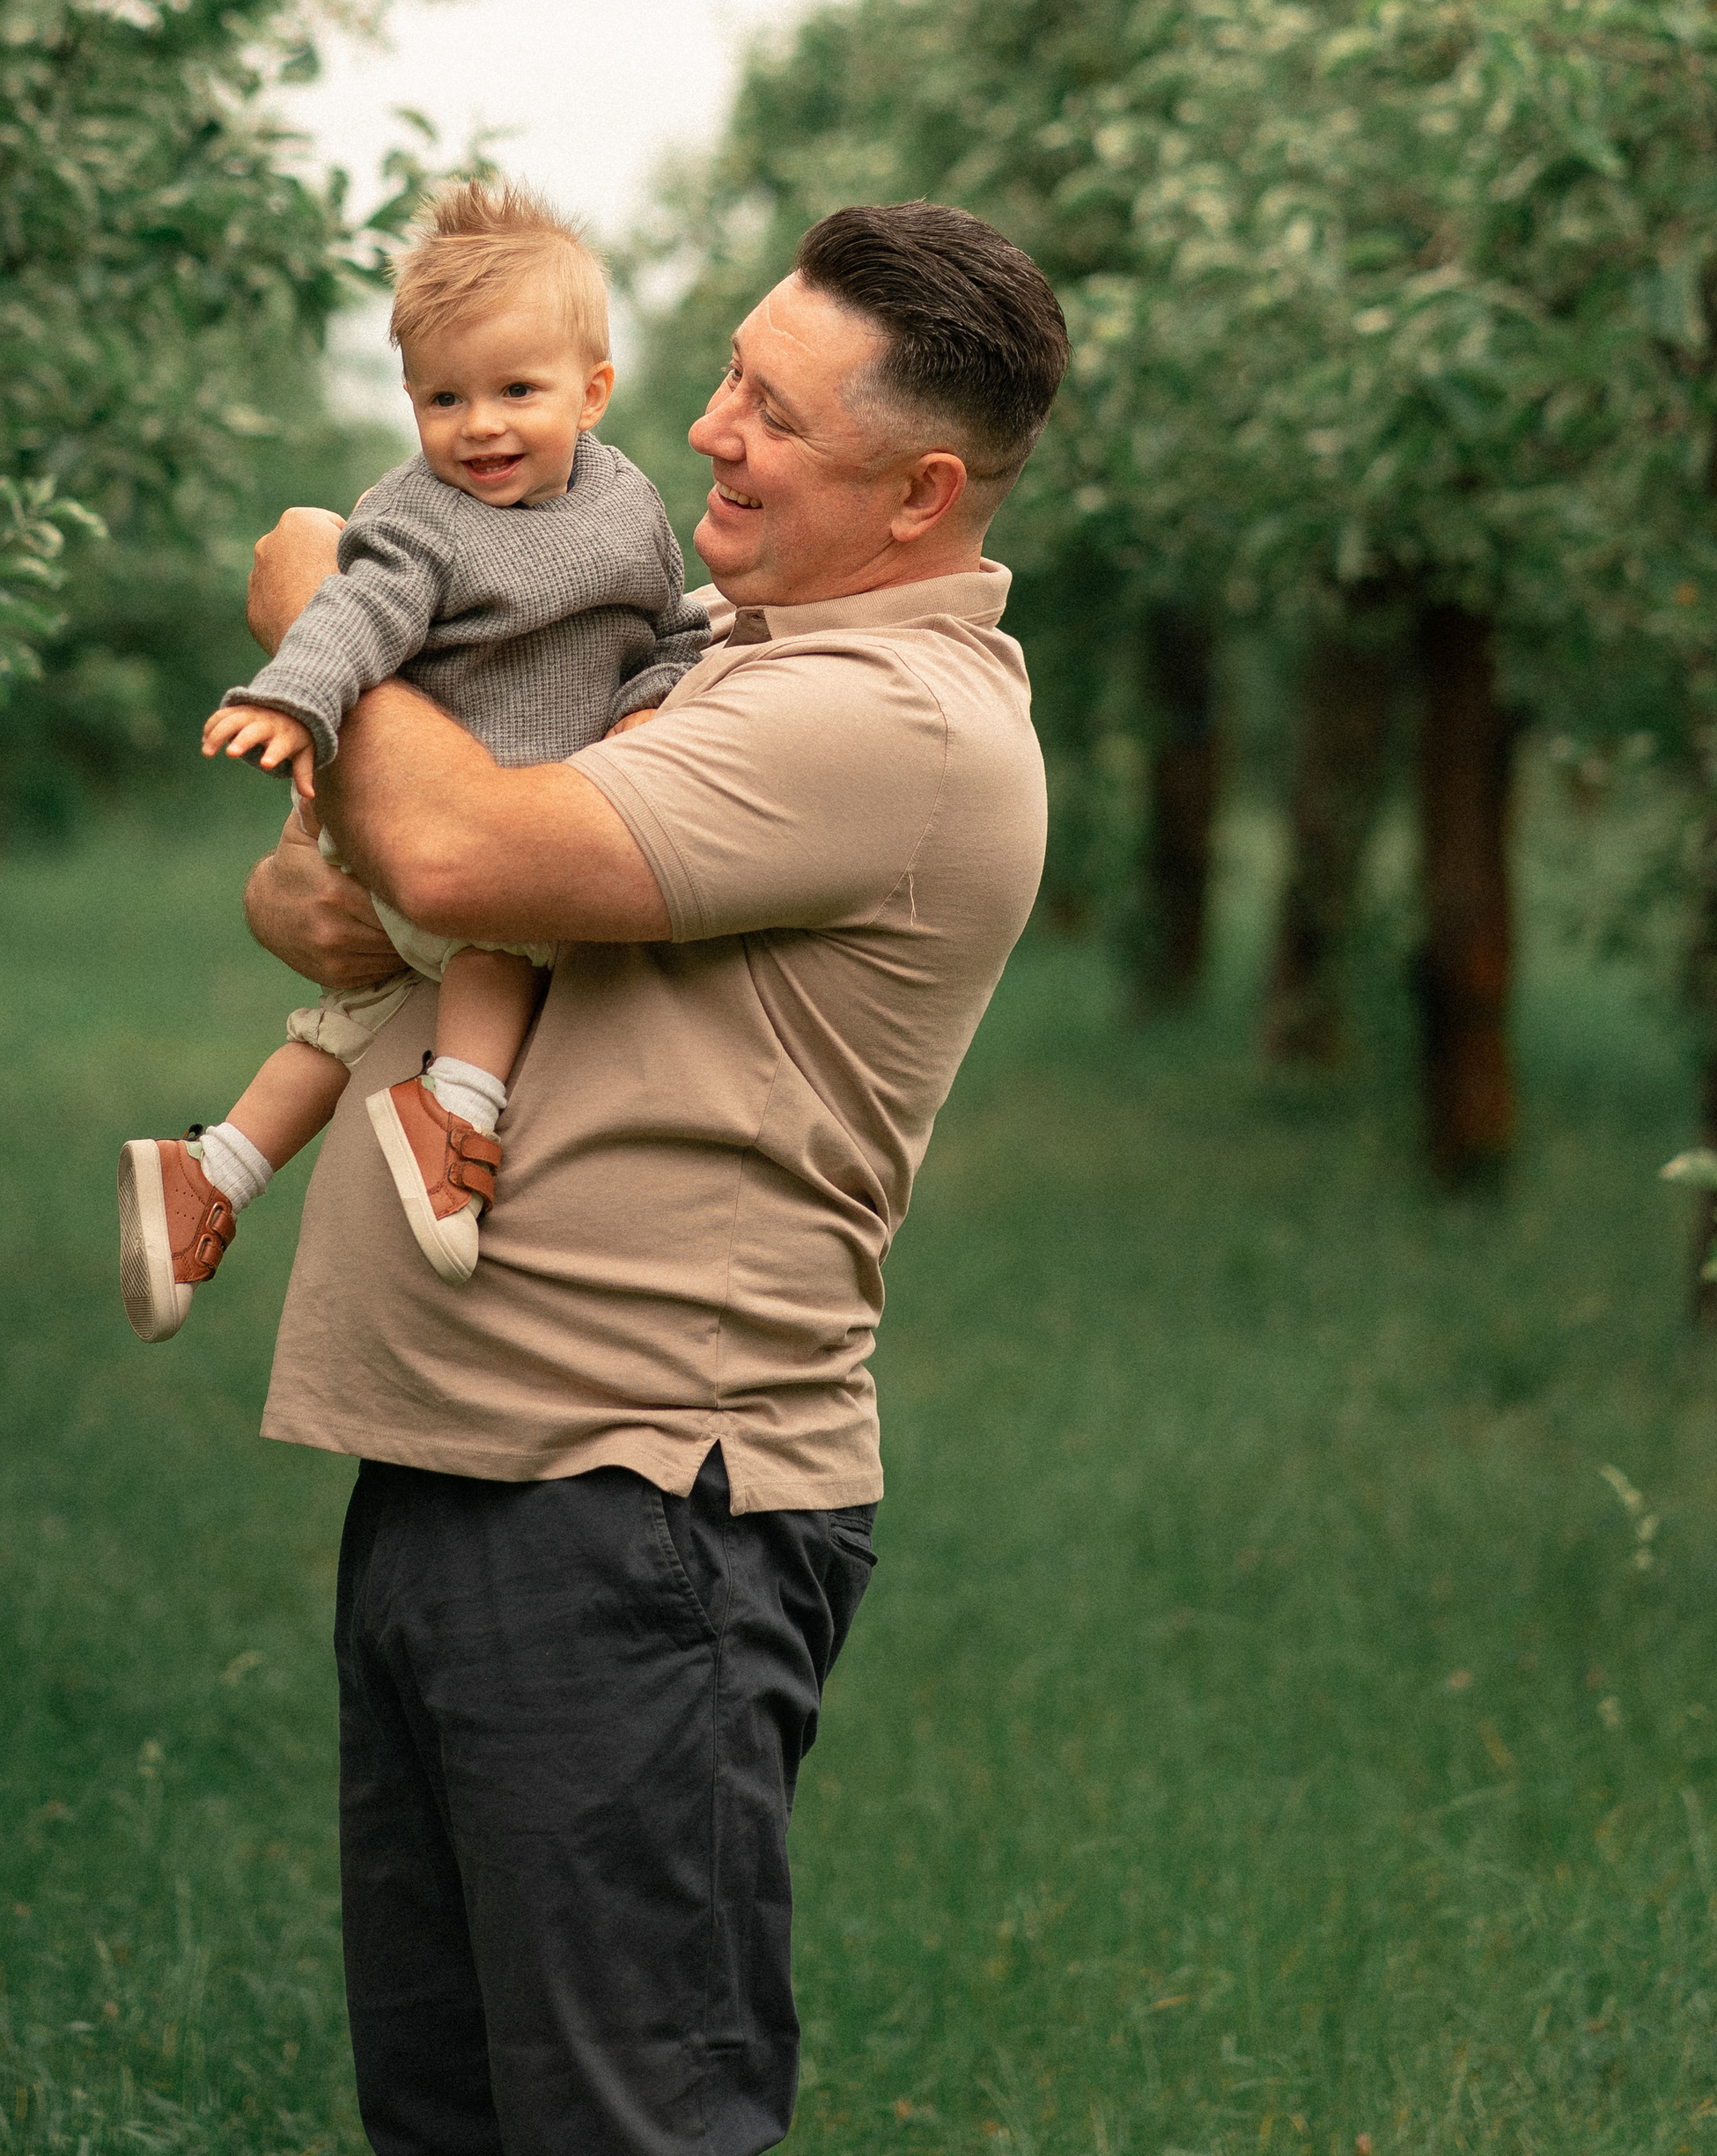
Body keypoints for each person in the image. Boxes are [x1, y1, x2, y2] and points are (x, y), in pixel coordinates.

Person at [239, 199, 1066, 2156]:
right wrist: (338, 864)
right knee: (449, 2119)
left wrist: (309, 578)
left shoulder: (883, 720)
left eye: (772, 414)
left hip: (640, 1512)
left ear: (916, 492)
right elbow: (355, 890)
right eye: (725, 379)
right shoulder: (709, 650)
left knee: (625, 2125)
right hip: (469, 1467)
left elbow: (446, 857)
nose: (705, 430)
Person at [116, 180, 711, 1341]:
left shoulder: (633, 507)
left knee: (348, 1021)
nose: (480, 426)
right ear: (410, 401)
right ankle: (456, 1113)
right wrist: (294, 698)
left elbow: (666, 627)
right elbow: (354, 615)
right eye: (446, 398)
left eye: (516, 392)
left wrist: (653, 710)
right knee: (509, 930)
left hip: (505, 801)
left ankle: (211, 1174)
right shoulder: (418, 517)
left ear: (592, 391)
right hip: (440, 807)